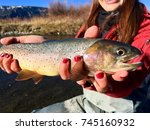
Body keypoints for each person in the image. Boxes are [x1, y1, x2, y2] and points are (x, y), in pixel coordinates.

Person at [0, 0, 150, 112]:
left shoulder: (147, 27)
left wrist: (112, 84)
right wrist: (43, 44)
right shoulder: (94, 19)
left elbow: (136, 73)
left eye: (120, 52)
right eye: (120, 52)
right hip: (89, 101)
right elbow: (64, 48)